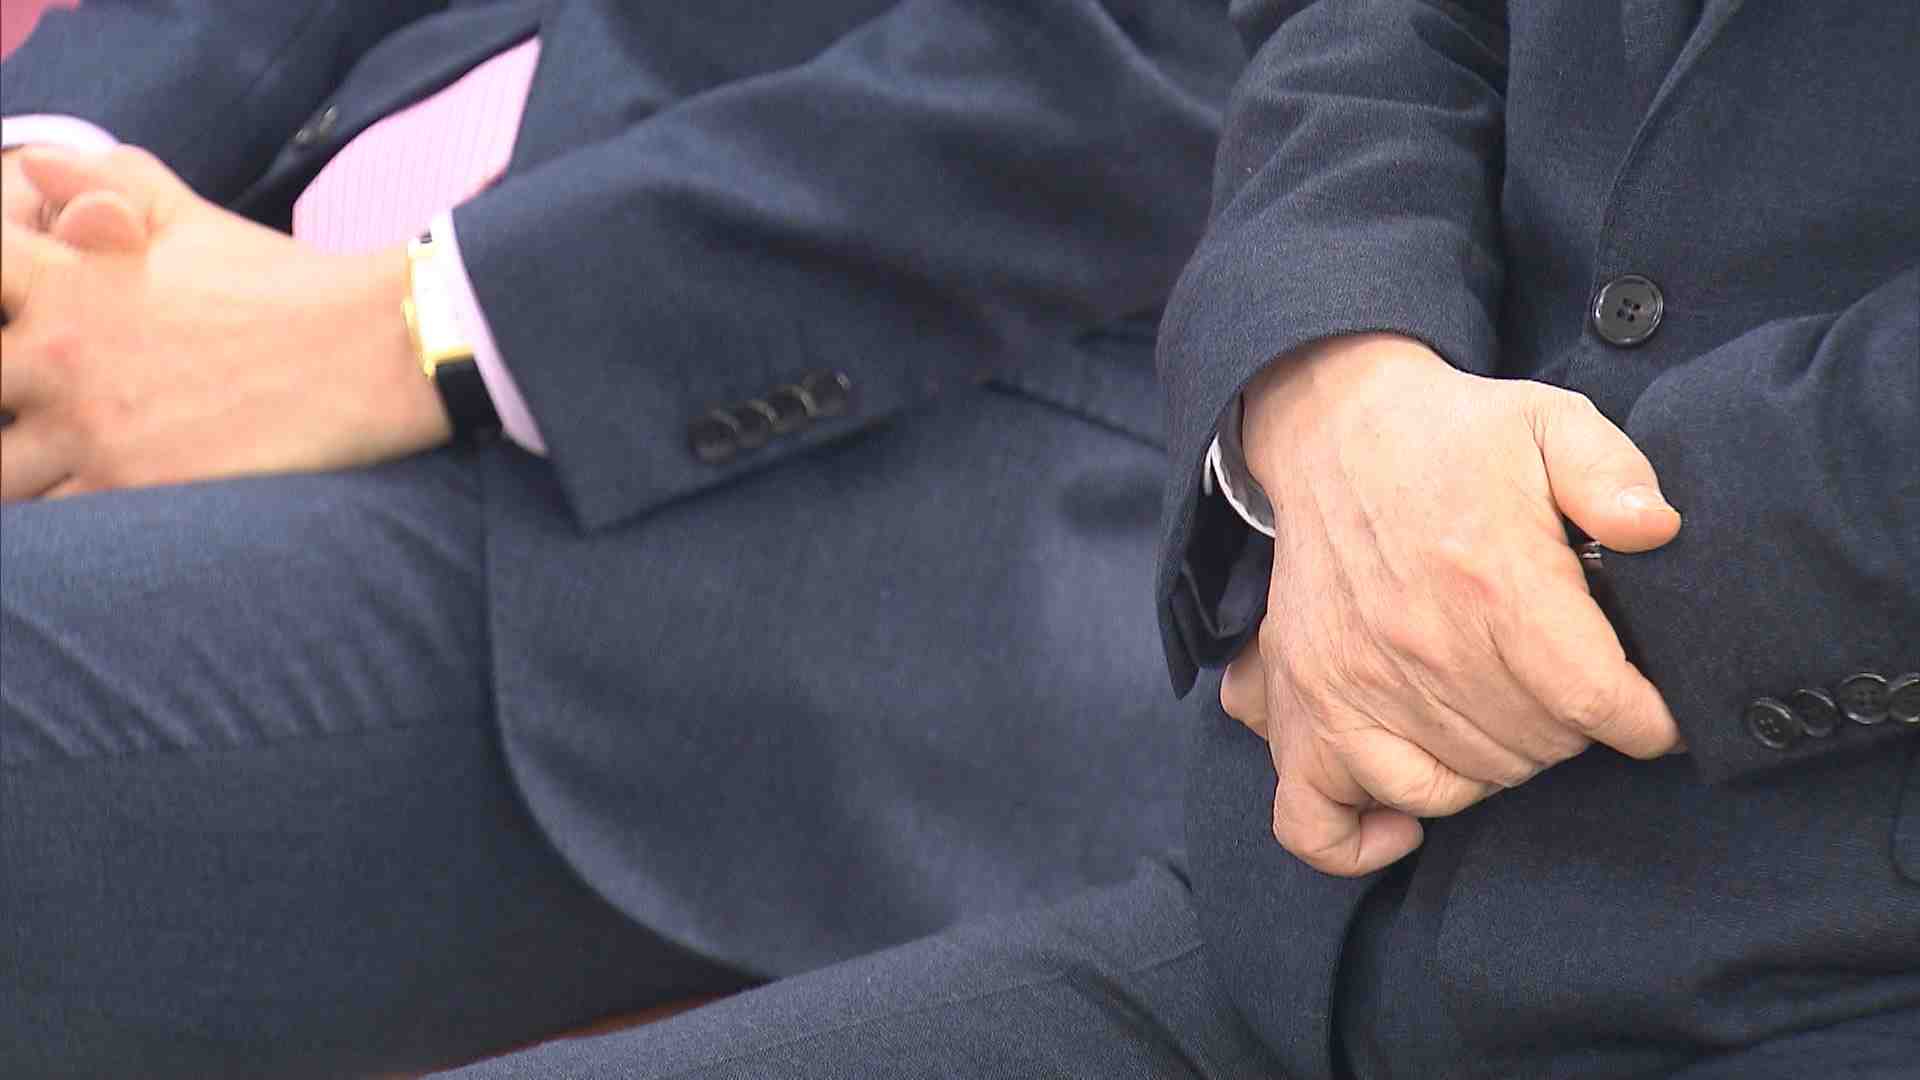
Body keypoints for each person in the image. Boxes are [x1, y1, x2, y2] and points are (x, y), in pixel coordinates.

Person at [405, 2, 1920, 1077]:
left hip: (1813, 946)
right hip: (1303, 920)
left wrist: (1460, 562)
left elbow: (1118, 69)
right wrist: (1335, 374)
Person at [0, 3, 1247, 1076]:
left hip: (816, 493)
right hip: (238, 256)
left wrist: (408, 333)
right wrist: (36, 173)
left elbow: (1141, 70)